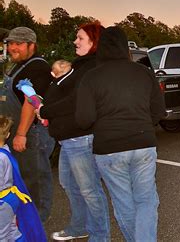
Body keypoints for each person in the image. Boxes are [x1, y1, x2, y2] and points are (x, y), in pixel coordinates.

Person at [76, 26, 165, 241]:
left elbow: (83, 119)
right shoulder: (143, 73)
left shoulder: (91, 77)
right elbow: (159, 111)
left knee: (124, 203)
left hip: (109, 149)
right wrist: (142, 125)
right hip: (143, 143)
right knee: (146, 200)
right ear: (126, 47)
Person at [38, 22, 111, 241]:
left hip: (81, 138)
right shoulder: (80, 66)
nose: (75, 41)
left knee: (89, 190)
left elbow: (74, 101)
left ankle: (100, 236)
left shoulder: (92, 68)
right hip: (68, 138)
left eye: (80, 38)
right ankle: (80, 226)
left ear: (93, 41)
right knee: (69, 184)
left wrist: (46, 110)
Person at [0, 27, 55, 223]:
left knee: (35, 180)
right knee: (19, 178)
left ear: (31, 45)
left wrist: (21, 133)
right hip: (15, 132)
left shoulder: (37, 67)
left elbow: (30, 103)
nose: (13, 47)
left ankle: (37, 224)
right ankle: (23, 220)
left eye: (18, 44)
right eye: (10, 43)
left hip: (32, 134)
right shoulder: (17, 66)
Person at [0, 115, 47, 241]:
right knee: (12, 232)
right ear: (8, 135)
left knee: (2, 235)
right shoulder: (4, 151)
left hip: (2, 201)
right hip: (10, 198)